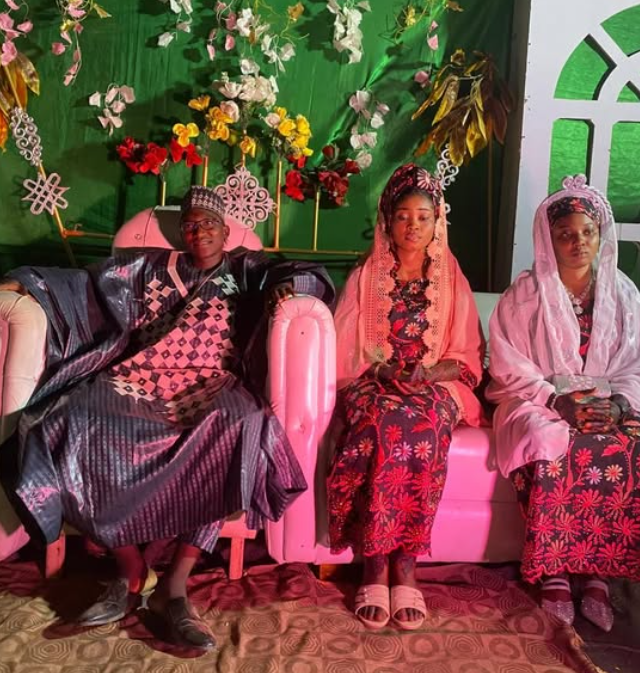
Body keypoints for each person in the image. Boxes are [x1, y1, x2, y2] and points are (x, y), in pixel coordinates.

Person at [0, 186, 334, 649]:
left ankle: (174, 587)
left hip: (210, 381)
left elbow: (302, 273)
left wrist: (290, 288)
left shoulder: (245, 268)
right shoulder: (149, 267)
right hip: (140, 376)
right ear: (182, 231)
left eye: (209, 224)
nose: (200, 233)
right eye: (191, 225)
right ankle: (131, 569)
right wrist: (30, 284)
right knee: (72, 418)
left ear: (226, 231)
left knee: (239, 422)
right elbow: (86, 284)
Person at [327, 163, 484, 630]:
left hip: (435, 385)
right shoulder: (366, 274)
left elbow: (467, 355)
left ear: (438, 222)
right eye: (403, 216)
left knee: (422, 427)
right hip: (373, 381)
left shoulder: (451, 276)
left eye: (423, 216)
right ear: (386, 220)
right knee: (382, 422)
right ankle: (375, 563)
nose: (413, 226)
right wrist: (384, 370)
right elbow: (345, 349)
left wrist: (429, 373)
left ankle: (407, 562)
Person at [486, 174, 640, 632]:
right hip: (537, 400)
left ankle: (597, 572)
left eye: (587, 232)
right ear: (548, 239)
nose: (578, 243)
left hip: (607, 402)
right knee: (547, 439)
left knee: (627, 445)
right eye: (565, 234)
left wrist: (619, 405)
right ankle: (554, 570)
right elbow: (509, 366)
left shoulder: (624, 294)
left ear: (599, 234)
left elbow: (635, 362)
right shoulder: (524, 294)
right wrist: (556, 401)